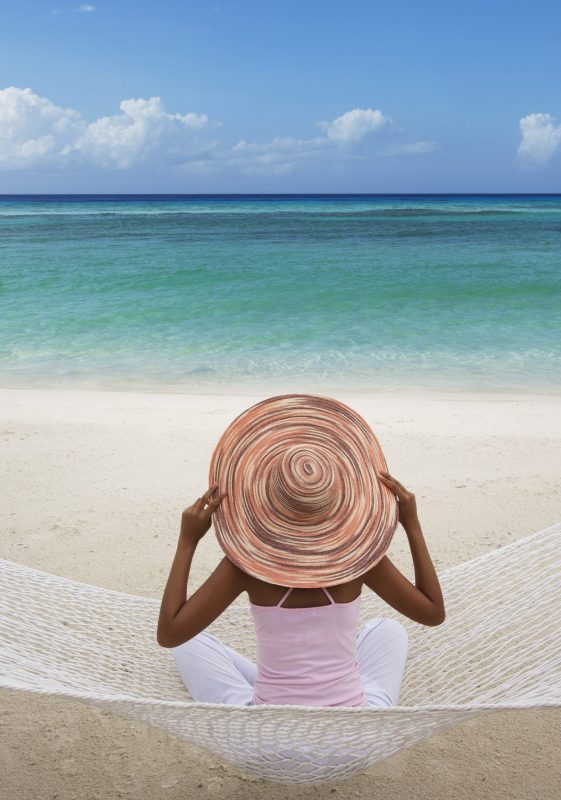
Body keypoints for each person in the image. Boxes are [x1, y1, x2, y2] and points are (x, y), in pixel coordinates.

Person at [156, 395, 445, 709]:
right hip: (355, 729)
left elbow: (170, 633)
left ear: (263, 496)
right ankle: (317, 686)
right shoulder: (359, 563)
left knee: (190, 645)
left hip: (270, 730)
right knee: (389, 630)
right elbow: (432, 613)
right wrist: (411, 524)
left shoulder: (245, 567)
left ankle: (280, 685)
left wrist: (188, 541)